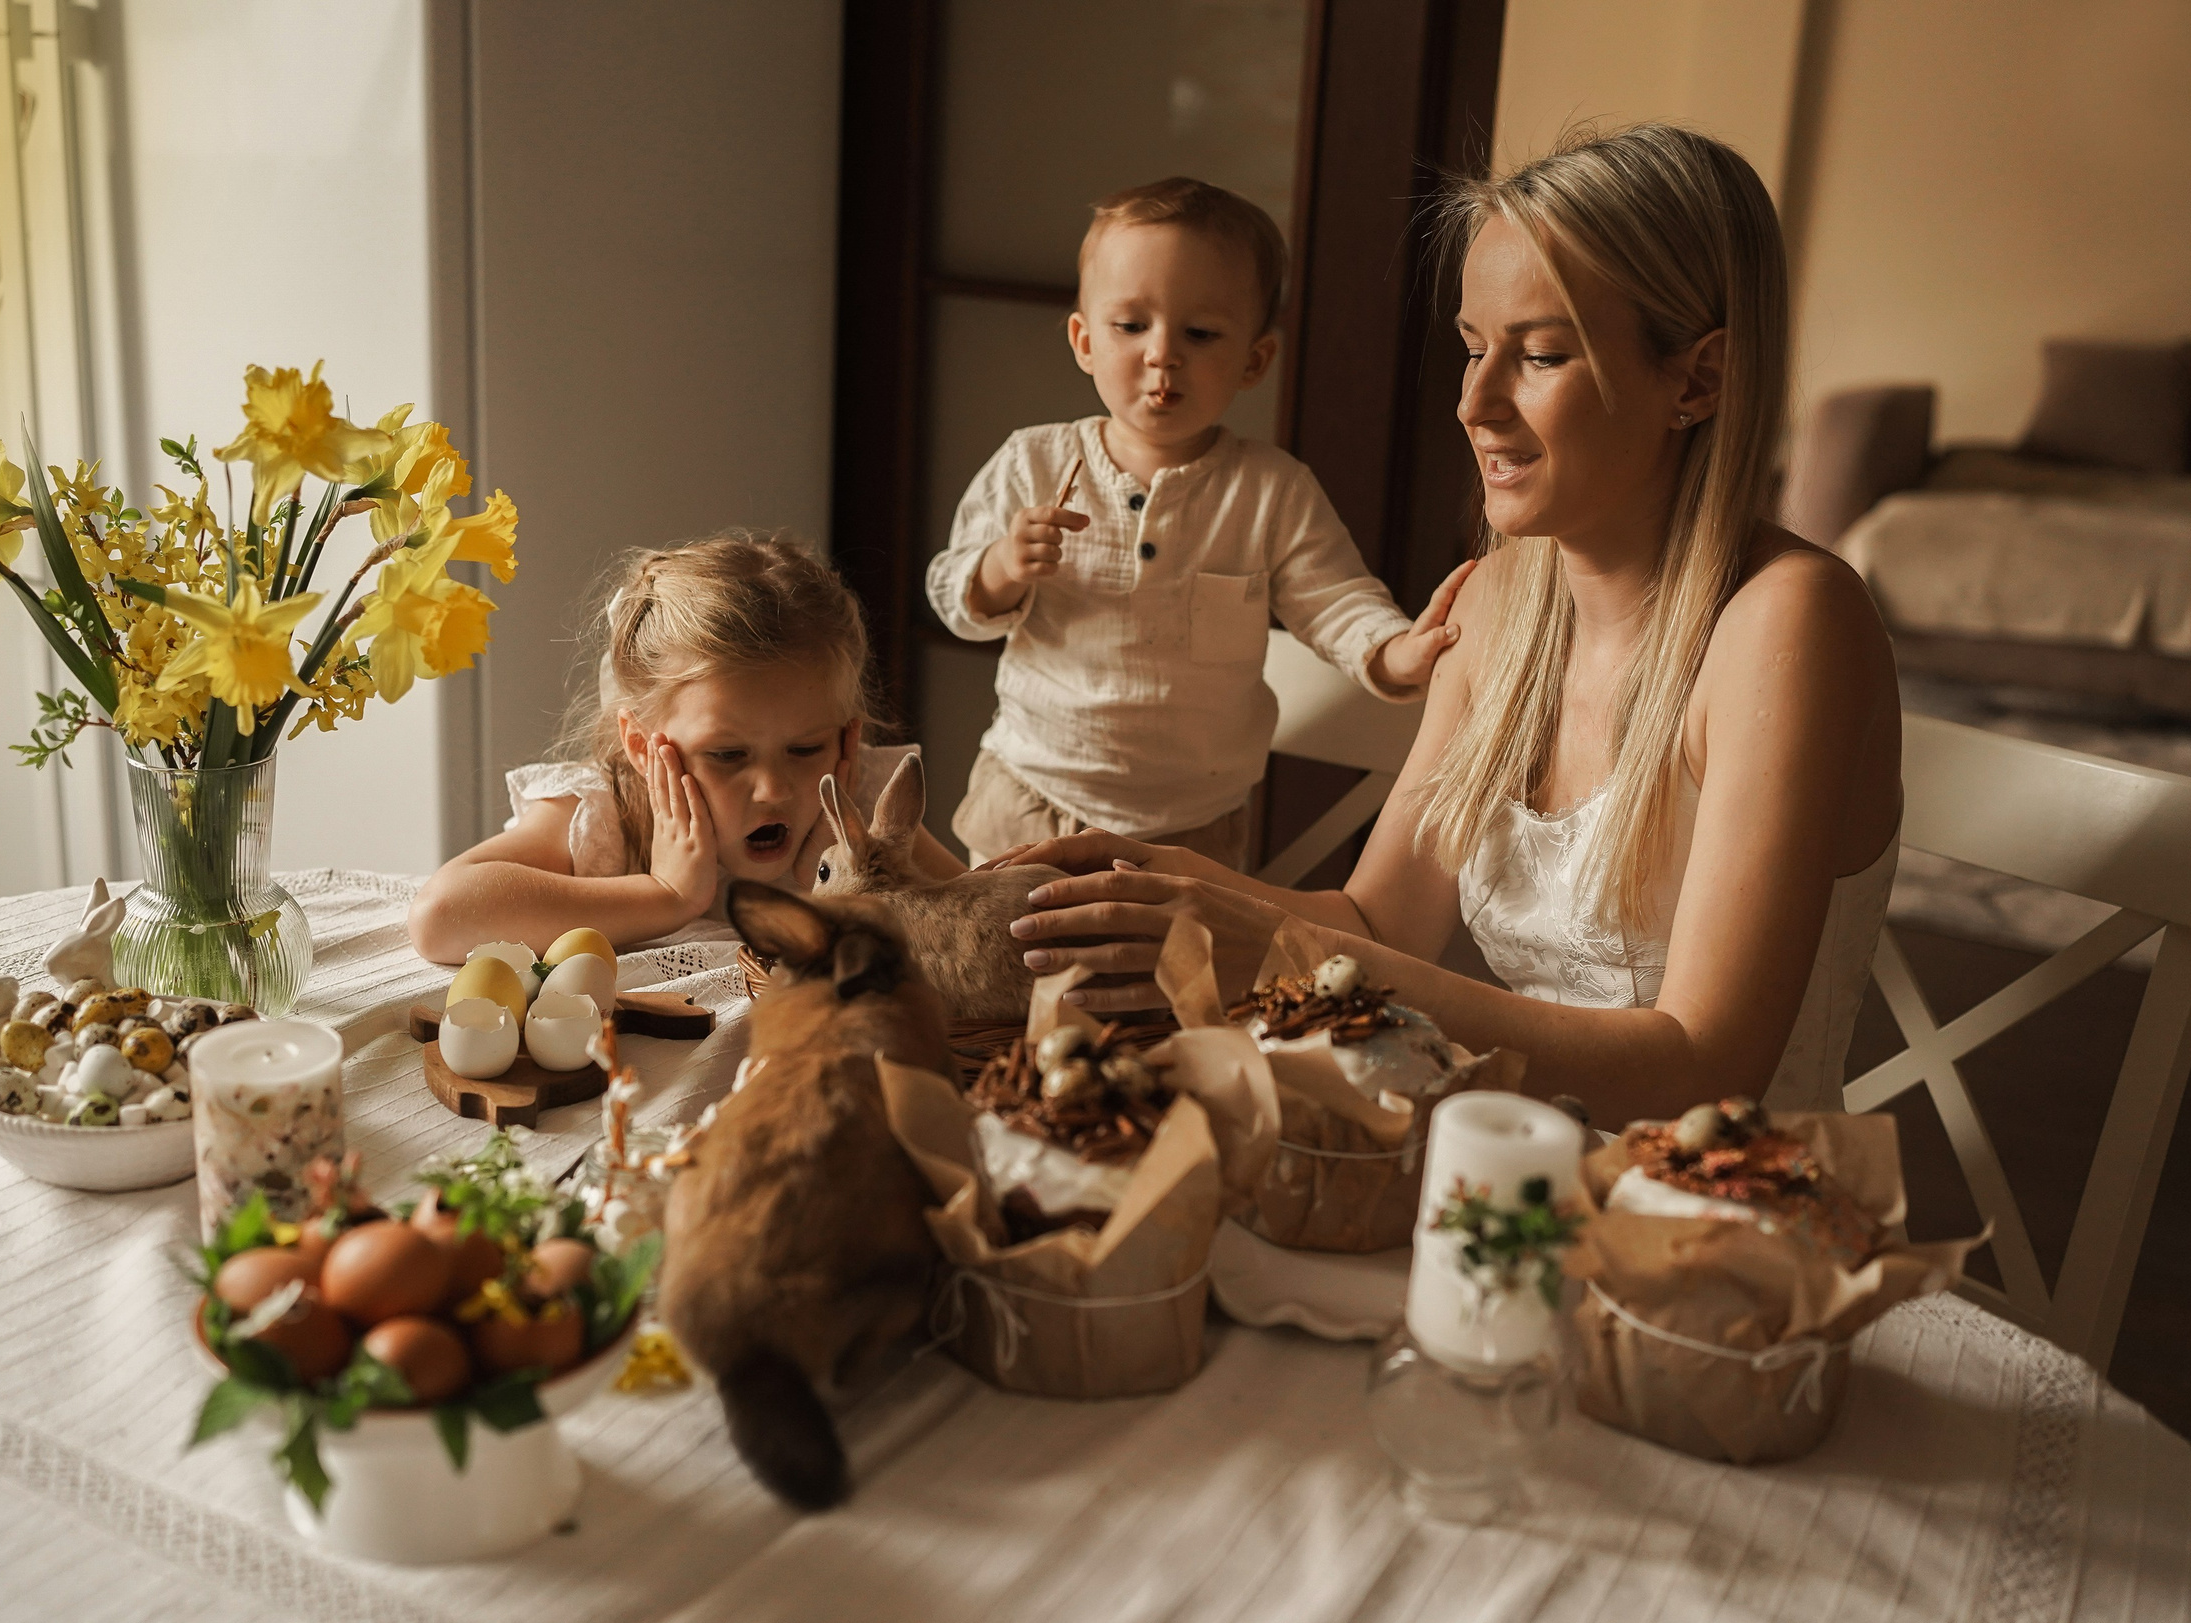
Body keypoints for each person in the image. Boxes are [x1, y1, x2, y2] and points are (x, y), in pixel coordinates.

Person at [999, 125, 1903, 1130]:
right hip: (1514, 1187)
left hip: (1735, 1228)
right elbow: (1380, 920)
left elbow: (1701, 1068)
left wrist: (1280, 946)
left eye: (1542, 355)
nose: (1474, 403)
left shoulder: (1786, 625)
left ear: (1694, 382)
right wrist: (1158, 880)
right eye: (1473, 349)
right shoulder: (1496, 604)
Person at [927, 176, 1468, 870]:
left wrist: (1394, 652)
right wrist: (1000, 567)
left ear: (1254, 360)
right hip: (1029, 793)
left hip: (1188, 831)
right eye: (1131, 325)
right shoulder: (1034, 461)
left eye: (1201, 332)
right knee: (994, 971)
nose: (1162, 353)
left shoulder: (1271, 491)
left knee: (1157, 981)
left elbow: (1336, 601)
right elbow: (951, 593)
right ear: (1084, 340)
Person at [408, 531, 963, 962]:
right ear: (644, 749)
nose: (773, 788)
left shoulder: (852, 803)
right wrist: (664, 894)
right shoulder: (609, 814)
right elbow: (441, 916)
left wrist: (845, 881)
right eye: (728, 755)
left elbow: (979, 918)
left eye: (805, 749)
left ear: (847, 736)